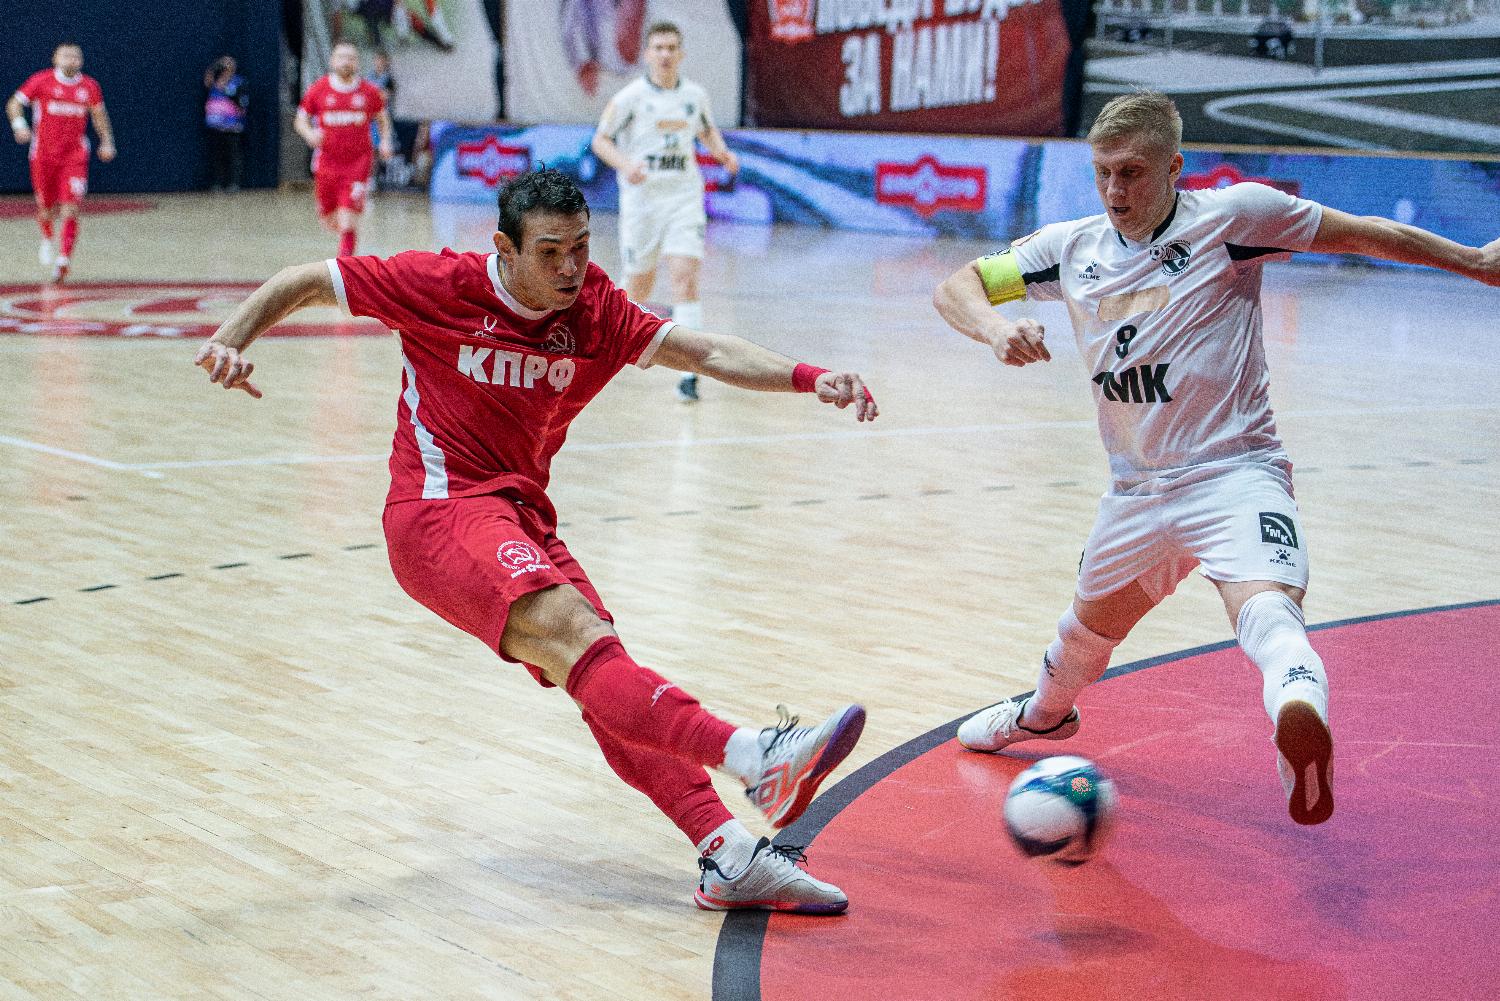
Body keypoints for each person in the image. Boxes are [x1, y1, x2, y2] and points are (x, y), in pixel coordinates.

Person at [192, 167, 879, 913]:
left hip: (521, 516)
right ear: (505, 248)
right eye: (549, 252)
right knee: (581, 641)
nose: (569, 267)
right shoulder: (440, 284)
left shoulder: (596, 308)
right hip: (438, 511)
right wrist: (230, 339)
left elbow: (704, 352)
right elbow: (306, 280)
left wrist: (809, 377)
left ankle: (728, 855)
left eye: (580, 246)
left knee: (603, 672)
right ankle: (756, 756)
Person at [932, 90, 1500, 827]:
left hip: (1236, 472)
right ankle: (1043, 716)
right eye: (1103, 172)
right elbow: (959, 285)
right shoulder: (1071, 248)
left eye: (1132, 173)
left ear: (1174, 167)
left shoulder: (1235, 218)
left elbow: (1364, 235)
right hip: (1137, 492)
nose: (1114, 190)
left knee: (1269, 612)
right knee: (1083, 635)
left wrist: (1472, 261)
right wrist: (994, 328)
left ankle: (1298, 719)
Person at [591, 20, 738, 404]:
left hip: (683, 199)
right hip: (643, 205)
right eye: (658, 48)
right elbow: (600, 141)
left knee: (684, 279)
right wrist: (626, 164)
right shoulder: (630, 98)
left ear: (681, 53)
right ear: (647, 54)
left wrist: (722, 153)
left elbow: (706, 130)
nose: (665, 54)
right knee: (637, 286)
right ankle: (602, 348)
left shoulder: (694, 96)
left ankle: (690, 374)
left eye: (672, 48)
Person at [7, 42, 116, 284]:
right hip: (43, 155)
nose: (71, 60)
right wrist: (20, 126)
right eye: (66, 55)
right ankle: (47, 237)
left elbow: (99, 115)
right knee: (45, 208)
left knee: (71, 207)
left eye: (76, 56)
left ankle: (63, 260)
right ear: (55, 58)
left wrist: (107, 141)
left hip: (74, 156)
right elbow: (13, 104)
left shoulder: (89, 86)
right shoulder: (41, 81)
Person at [295, 41, 394, 258]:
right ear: (332, 61)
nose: (346, 61)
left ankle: (344, 265)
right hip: (327, 163)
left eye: (351, 57)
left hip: (358, 163)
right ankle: (343, 243)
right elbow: (300, 120)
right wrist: (310, 134)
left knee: (347, 219)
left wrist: (385, 141)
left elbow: (382, 119)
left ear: (357, 63)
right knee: (329, 219)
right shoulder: (319, 89)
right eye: (341, 57)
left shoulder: (369, 91)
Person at [203, 56, 248, 192]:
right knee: (217, 156)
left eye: (229, 65)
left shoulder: (238, 82)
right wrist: (216, 65)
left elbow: (242, 103)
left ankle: (234, 183)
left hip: (232, 125)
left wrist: (227, 91)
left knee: (233, 155)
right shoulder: (215, 81)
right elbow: (207, 79)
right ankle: (217, 182)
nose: (226, 67)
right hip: (216, 125)